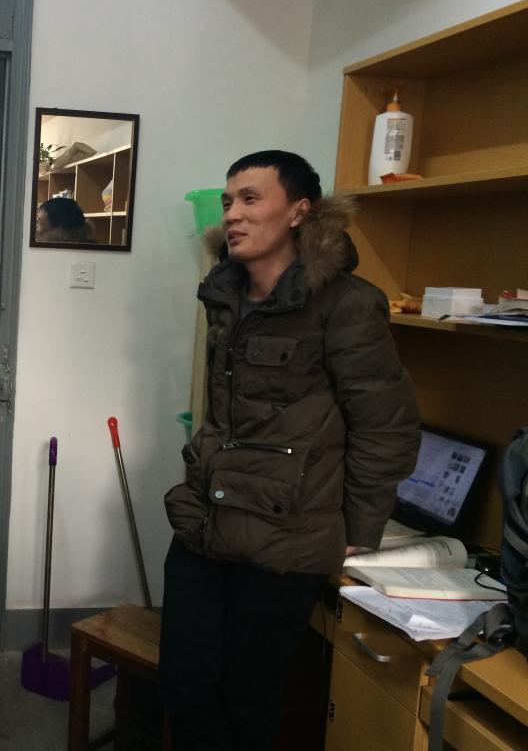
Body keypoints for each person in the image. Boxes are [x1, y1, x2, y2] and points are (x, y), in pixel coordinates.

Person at [159, 150, 421, 750]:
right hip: (204, 522)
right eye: (228, 202)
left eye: (251, 199)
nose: (232, 214)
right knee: (184, 688)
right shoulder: (226, 294)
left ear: (300, 211)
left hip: (284, 537)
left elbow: (386, 425)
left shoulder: (345, 304)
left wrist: (359, 528)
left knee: (247, 702)